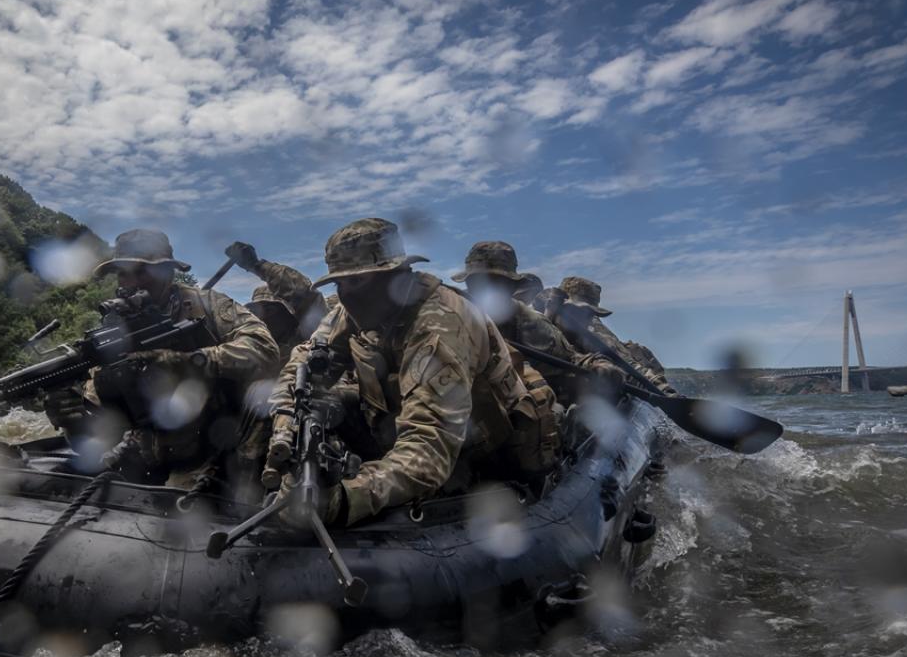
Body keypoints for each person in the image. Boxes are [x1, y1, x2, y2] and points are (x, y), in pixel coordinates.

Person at [264, 218, 558, 527]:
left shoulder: (439, 325)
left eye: (359, 281)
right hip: (403, 431)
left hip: (479, 455)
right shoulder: (358, 310)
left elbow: (430, 443)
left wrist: (347, 498)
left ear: (397, 276)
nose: (348, 295)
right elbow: (304, 361)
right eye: (341, 284)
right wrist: (286, 424)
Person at [43, 229, 279, 493]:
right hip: (152, 453)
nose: (130, 281)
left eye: (141, 271)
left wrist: (193, 361)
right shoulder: (115, 334)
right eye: (122, 272)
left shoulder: (207, 305)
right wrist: (71, 420)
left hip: (217, 448)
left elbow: (265, 348)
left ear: (168, 271)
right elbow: (103, 431)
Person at [451, 241, 622, 406]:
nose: (487, 289)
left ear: (511, 286)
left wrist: (599, 366)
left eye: (497, 281)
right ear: (468, 282)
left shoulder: (526, 319)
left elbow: (571, 359)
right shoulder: (448, 309)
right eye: (480, 281)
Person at [544, 276, 677, 396]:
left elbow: (624, 361)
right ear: (562, 306)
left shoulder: (590, 329)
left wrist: (664, 391)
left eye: (591, 313)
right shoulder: (536, 321)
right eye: (582, 311)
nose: (587, 317)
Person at [224, 241, 328, 365]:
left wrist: (256, 265)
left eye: (271, 309)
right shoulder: (249, 345)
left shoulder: (309, 336)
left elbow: (304, 291)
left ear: (286, 314)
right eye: (258, 309)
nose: (264, 316)